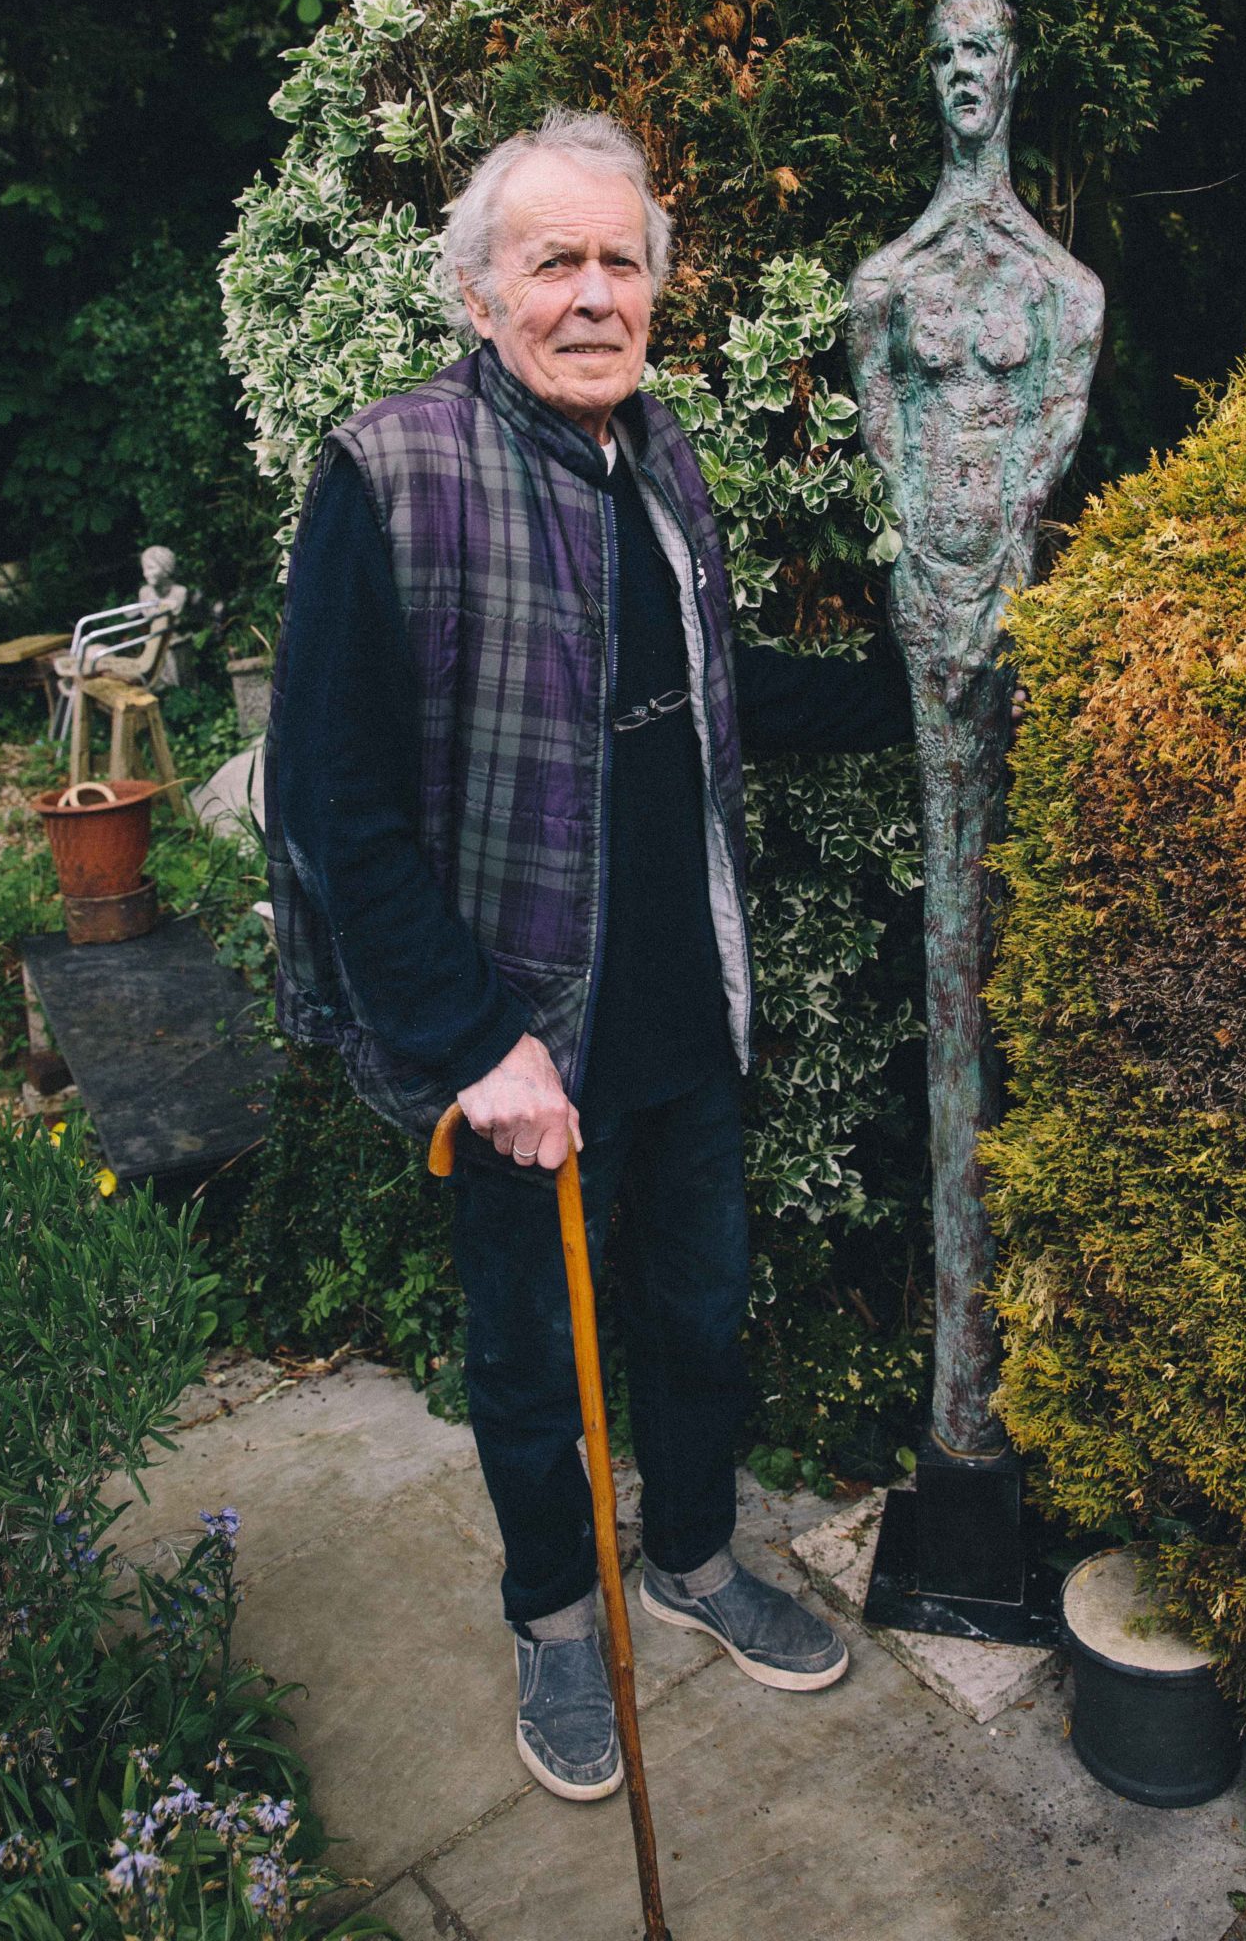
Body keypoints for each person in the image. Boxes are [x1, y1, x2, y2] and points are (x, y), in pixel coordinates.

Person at [267, 108, 913, 1803]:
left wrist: (915, 701)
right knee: (531, 1365)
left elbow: (713, 691)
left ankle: (693, 1560)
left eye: (622, 260)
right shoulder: (388, 473)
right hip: (521, 1041)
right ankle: (559, 1618)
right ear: (480, 295)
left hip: (681, 1001)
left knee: (701, 1318)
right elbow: (336, 807)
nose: (594, 291)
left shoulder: (661, 456)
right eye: (554, 258)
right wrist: (479, 1047)